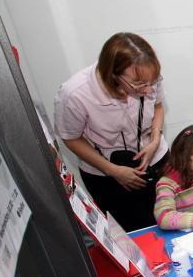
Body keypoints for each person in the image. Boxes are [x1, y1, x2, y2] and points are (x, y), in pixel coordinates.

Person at [54, 32, 169, 231]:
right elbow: (71, 138)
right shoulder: (75, 94)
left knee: (172, 221)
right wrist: (112, 170)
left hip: (155, 160)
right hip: (108, 176)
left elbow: (158, 106)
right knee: (134, 234)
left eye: (152, 82)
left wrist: (155, 140)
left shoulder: (147, 78)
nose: (148, 89)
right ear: (113, 74)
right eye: (140, 84)